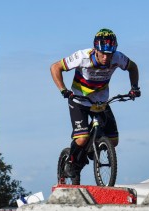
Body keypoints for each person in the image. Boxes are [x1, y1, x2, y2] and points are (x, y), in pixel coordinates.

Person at [50, 28, 140, 184]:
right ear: (96, 50)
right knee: (82, 138)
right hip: (79, 101)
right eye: (102, 53)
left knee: (114, 141)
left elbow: (133, 67)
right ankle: (71, 161)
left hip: (101, 102)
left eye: (109, 54)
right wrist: (63, 90)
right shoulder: (82, 57)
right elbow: (55, 67)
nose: (106, 57)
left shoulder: (118, 58)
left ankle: (95, 146)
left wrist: (134, 88)